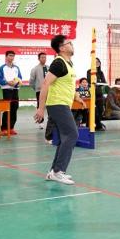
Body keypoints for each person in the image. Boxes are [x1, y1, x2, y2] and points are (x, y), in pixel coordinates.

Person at [35, 34, 84, 185]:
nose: (72, 45)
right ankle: (58, 171)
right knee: (72, 134)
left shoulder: (69, 63)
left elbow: (68, 84)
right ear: (62, 48)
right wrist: (40, 108)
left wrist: (77, 97)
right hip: (57, 104)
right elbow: (45, 84)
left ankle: (54, 171)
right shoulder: (58, 63)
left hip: (64, 104)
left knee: (65, 137)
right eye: (69, 43)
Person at [0, 50, 22, 135]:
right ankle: (4, 128)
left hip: (15, 90)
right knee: (7, 108)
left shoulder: (16, 68)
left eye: (13, 56)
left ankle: (11, 128)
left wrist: (16, 83)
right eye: (10, 55)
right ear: (6, 57)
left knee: (14, 108)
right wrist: (7, 82)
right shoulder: (2, 68)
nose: (11, 57)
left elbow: (20, 78)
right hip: (6, 90)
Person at [88, 57, 108, 131]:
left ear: (99, 63)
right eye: (95, 62)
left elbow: (104, 82)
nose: (97, 63)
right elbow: (89, 81)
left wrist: (98, 82)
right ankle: (97, 125)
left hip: (100, 94)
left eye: (98, 62)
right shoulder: (89, 71)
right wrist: (96, 82)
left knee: (100, 110)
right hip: (93, 94)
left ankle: (98, 123)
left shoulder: (101, 72)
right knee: (94, 110)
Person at [29, 52, 48, 131]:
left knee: (51, 106)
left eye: (45, 57)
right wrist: (36, 88)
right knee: (40, 106)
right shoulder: (35, 69)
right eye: (42, 57)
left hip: (49, 91)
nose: (44, 59)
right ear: (39, 59)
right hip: (40, 90)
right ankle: (40, 122)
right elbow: (31, 81)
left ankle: (51, 122)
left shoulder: (49, 68)